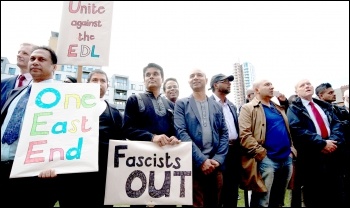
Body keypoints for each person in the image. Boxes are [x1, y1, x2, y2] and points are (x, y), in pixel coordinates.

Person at [57, 69, 125, 207]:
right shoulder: (72, 105)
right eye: (94, 80)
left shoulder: (115, 112)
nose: (98, 83)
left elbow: (120, 141)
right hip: (74, 172)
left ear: (108, 86)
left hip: (102, 175)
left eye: (102, 81)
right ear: (87, 83)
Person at [1, 46, 59, 207]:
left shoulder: (65, 97)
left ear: (54, 67)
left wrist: (54, 165)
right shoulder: (15, 92)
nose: (35, 62)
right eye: (32, 59)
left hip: (35, 175)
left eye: (41, 59)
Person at [122, 63, 180, 207]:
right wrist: (152, 137)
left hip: (165, 163)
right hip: (141, 163)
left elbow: (175, 131)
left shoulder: (170, 105)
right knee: (140, 202)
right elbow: (127, 129)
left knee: (166, 202)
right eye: (148, 75)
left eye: (155, 74)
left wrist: (174, 138)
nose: (151, 77)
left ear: (162, 78)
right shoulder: (134, 100)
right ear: (144, 80)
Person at [174, 68, 229, 207]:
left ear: (206, 80)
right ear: (188, 81)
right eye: (191, 75)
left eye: (199, 75)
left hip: (215, 166)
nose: (195, 77)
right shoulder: (181, 104)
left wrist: (218, 159)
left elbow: (224, 133)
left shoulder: (216, 105)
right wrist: (201, 160)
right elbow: (181, 132)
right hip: (192, 165)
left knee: (215, 203)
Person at [287, 79, 345, 207]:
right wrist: (322, 143)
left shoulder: (324, 106)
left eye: (309, 84)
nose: (307, 86)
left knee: (337, 193)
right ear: (296, 91)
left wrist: (333, 142)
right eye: (302, 85)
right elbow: (297, 129)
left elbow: (336, 124)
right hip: (312, 158)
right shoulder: (294, 109)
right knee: (315, 196)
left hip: (332, 154)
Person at [239, 79, 296, 207]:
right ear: (257, 90)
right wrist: (262, 154)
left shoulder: (277, 107)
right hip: (267, 160)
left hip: (285, 158)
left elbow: (287, 130)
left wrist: (291, 151)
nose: (272, 86)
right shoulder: (248, 108)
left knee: (278, 198)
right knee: (262, 200)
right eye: (267, 84)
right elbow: (245, 135)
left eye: (271, 84)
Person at [208, 73, 240, 208]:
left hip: (234, 152)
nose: (229, 83)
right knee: (216, 192)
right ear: (216, 85)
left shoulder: (231, 106)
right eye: (225, 81)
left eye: (230, 81)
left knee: (232, 191)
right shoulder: (206, 104)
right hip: (217, 153)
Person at [1, 42, 37, 110]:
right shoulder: (2, 83)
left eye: (25, 53)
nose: (19, 55)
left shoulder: (40, 85)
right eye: (19, 52)